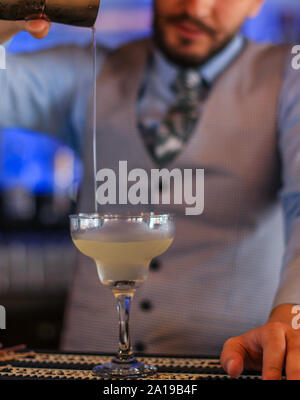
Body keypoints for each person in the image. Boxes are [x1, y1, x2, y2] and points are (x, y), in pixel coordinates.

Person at [1, 0, 300, 380]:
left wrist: (294, 313)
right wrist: (5, 22)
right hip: (86, 366)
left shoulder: (288, 78)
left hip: (222, 366)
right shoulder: (90, 70)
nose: (197, 8)